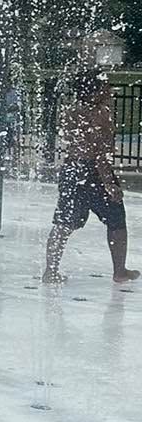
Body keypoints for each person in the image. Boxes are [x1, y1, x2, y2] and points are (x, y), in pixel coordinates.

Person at [43, 71, 137, 287]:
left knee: (64, 222)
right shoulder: (101, 115)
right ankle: (120, 271)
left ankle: (51, 270)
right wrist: (109, 183)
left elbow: (72, 141)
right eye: (105, 86)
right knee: (116, 219)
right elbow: (99, 152)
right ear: (95, 93)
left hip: (71, 169)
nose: (110, 90)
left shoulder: (71, 111)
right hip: (93, 171)